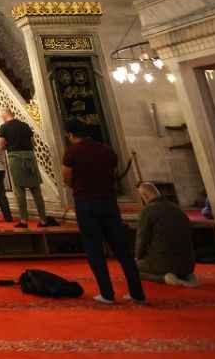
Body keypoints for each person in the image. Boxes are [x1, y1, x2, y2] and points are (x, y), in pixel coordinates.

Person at [62, 119, 145, 304]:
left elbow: (66, 178)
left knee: (94, 249)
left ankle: (107, 294)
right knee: (122, 250)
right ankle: (137, 293)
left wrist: (80, 185)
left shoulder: (72, 152)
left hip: (86, 203)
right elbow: (113, 173)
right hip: (109, 202)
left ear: (70, 134)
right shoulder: (107, 150)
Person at [0, 108, 57, 228]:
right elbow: (33, 143)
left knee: (19, 190)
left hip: (15, 157)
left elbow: (1, 146)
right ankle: (43, 220)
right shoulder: (25, 125)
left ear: (5, 115)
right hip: (30, 157)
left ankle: (24, 221)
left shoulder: (4, 127)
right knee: (36, 190)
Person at [134, 182, 197, 287]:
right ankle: (187, 275)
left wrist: (137, 257)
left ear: (145, 196)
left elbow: (142, 239)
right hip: (188, 264)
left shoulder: (148, 210)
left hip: (163, 264)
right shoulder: (177, 208)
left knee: (132, 268)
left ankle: (164, 278)